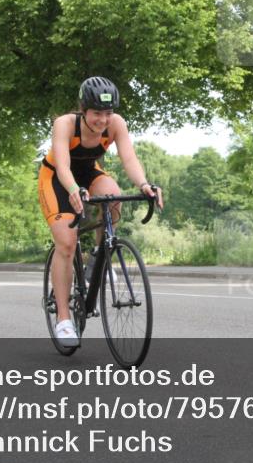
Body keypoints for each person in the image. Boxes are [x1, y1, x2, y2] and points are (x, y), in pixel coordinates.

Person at [38, 76, 163, 346]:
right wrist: (73, 189)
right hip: (58, 179)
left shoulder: (116, 124)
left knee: (113, 196)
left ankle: (99, 256)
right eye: (96, 113)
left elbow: (128, 157)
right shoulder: (65, 124)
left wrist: (143, 184)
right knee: (67, 243)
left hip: (89, 172)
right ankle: (63, 319)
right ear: (83, 110)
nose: (102, 120)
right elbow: (62, 166)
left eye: (108, 113)